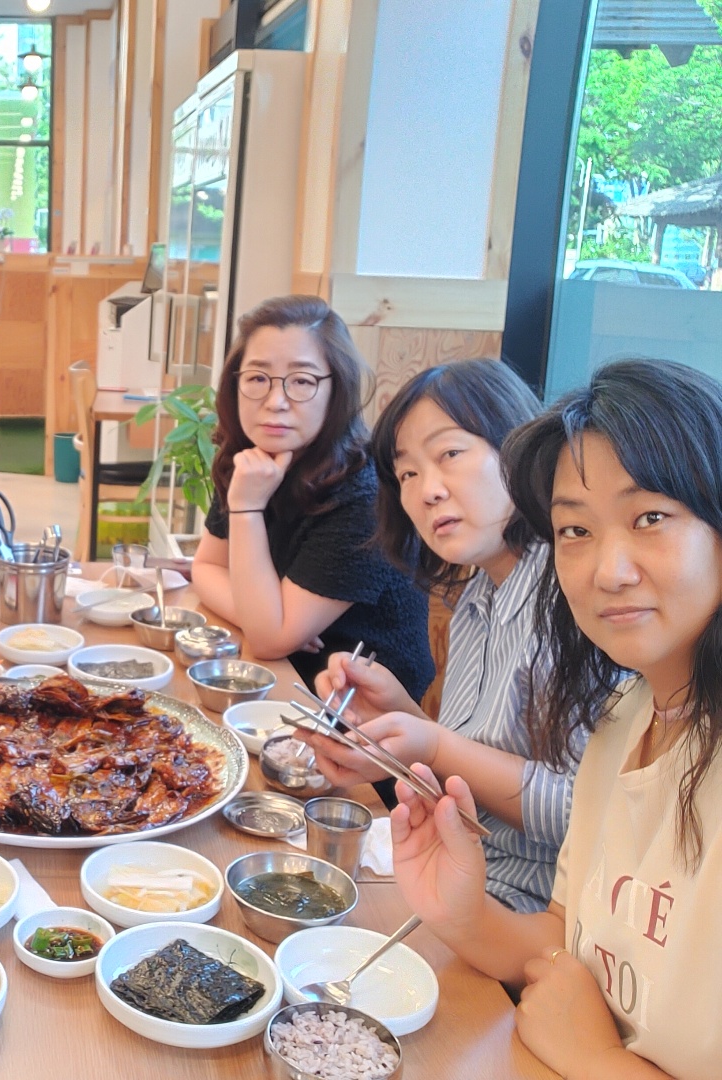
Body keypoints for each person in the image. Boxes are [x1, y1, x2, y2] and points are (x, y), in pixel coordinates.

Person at [391, 359, 722, 1080]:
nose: (608, 570)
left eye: (650, 518)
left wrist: (596, 1059)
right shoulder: (624, 720)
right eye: (575, 530)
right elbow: (565, 936)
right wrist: (461, 913)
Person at [298, 360, 584, 913]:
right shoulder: (477, 597)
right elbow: (469, 768)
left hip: (532, 914)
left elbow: (586, 815)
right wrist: (397, 712)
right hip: (456, 876)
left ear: (520, 447)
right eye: (406, 474)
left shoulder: (572, 599)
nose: (427, 491)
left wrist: (432, 744)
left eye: (450, 453)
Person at [190, 294, 434, 700]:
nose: (275, 402)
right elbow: (206, 566)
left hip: (358, 711)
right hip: (279, 679)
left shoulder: (364, 494)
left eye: (302, 381)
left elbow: (269, 640)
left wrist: (247, 509)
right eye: (257, 378)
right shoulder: (249, 461)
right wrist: (263, 616)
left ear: (337, 391)